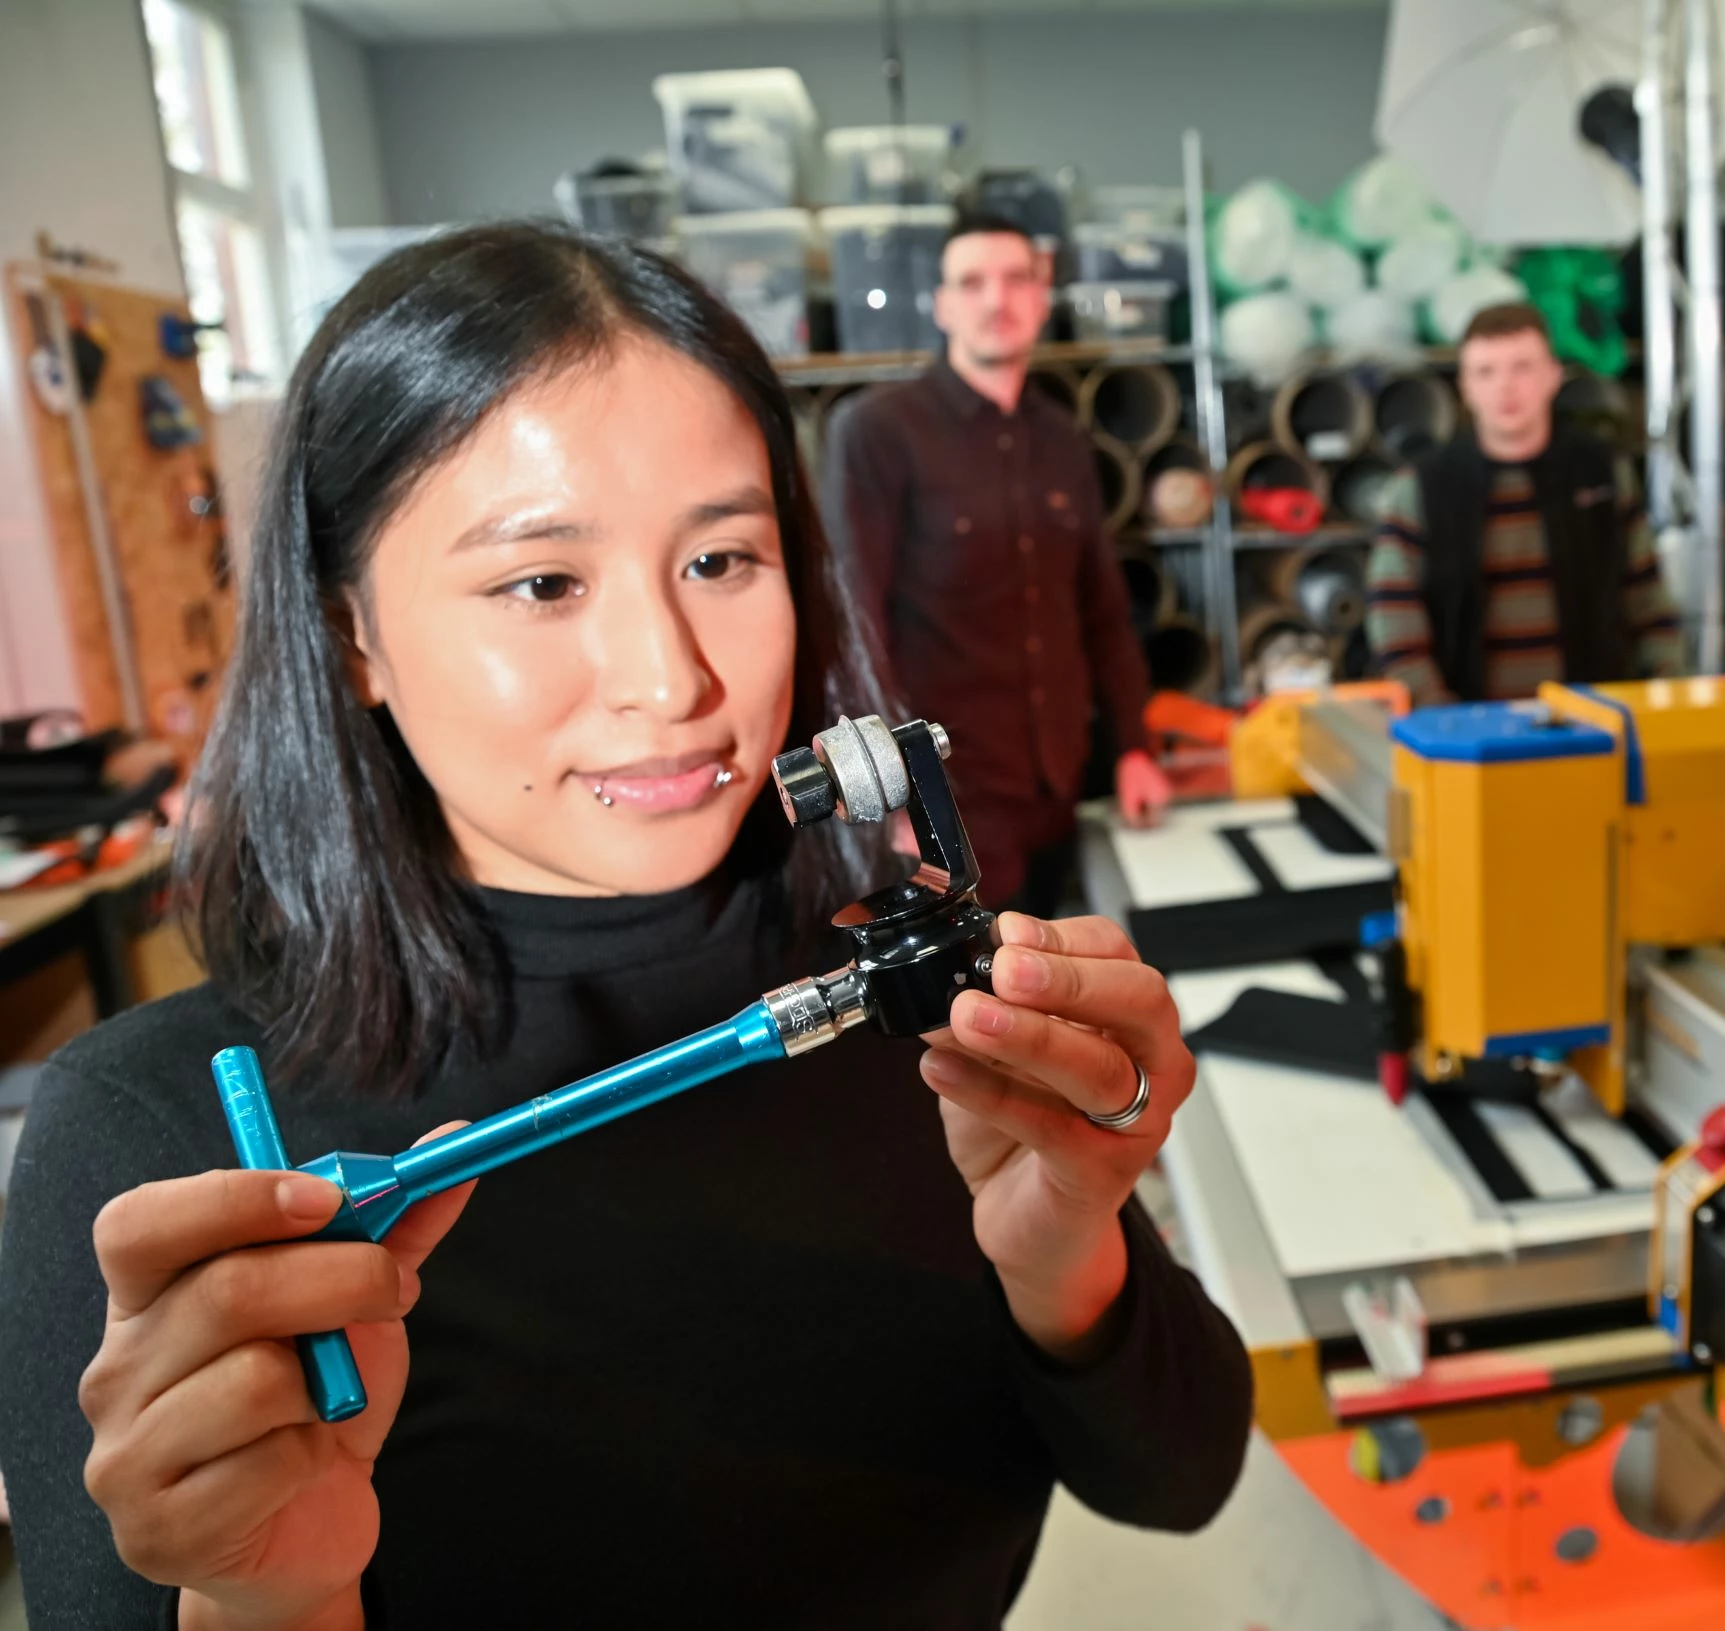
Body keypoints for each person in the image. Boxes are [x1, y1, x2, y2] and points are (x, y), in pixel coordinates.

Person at [0, 224, 1251, 1629]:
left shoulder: (920, 1003)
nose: (672, 679)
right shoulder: (163, 1142)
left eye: (722, 558)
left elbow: (1181, 1476)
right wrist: (267, 1598)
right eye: (544, 583)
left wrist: (1067, 1247)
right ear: (351, 629)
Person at [823, 211, 1170, 917]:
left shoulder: (1064, 439)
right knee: (976, 1014)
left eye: (1017, 279)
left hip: (1059, 786)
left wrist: (1134, 748)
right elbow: (854, 624)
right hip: (949, 801)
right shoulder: (878, 430)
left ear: (1044, 299)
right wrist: (889, 793)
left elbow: (1101, 610)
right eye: (972, 282)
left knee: (1049, 984)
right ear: (943, 305)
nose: (996, 299)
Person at [1365, 302, 1682, 703]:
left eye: (1523, 367)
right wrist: (1443, 718)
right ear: (1465, 386)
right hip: (1468, 736)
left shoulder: (1600, 475)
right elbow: (1394, 620)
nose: (1505, 387)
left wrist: (1663, 693)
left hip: (1592, 725)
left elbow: (1649, 600)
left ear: (1553, 376)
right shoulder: (1420, 490)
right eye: (1486, 371)